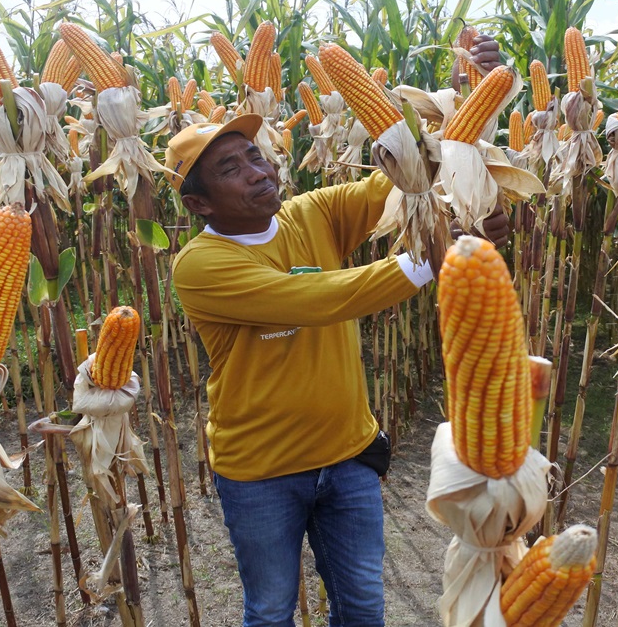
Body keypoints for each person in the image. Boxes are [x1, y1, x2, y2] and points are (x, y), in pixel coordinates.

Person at [168, 107, 508, 626]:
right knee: (271, 611)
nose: (257, 171)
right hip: (262, 472)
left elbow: (407, 178)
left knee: (364, 610)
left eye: (254, 155)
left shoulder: (313, 213)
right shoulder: (199, 266)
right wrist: (440, 254)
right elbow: (316, 297)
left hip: (348, 457)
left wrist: (470, 122)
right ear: (198, 203)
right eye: (230, 169)